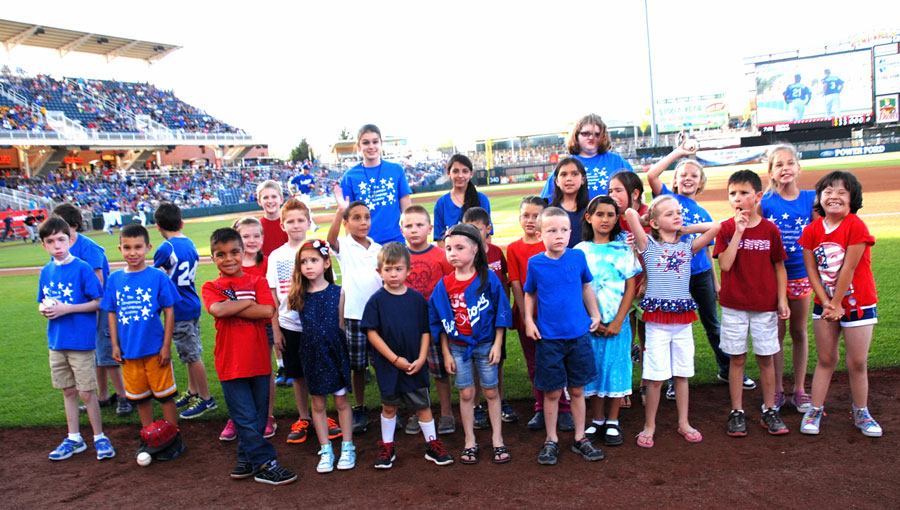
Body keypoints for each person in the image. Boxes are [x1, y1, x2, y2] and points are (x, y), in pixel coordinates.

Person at [647, 142, 756, 396]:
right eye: (683, 174)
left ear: (700, 183)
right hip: (674, 276)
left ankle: (726, 369)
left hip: (701, 273)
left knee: (713, 324)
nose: (688, 178)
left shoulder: (703, 211)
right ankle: (674, 381)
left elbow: (708, 248)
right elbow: (652, 175)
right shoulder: (666, 199)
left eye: (694, 176)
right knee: (674, 327)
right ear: (674, 180)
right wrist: (679, 153)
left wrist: (716, 282)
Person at [201, 228, 297, 486]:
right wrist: (247, 304)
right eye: (220, 254)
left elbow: (267, 310)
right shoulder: (211, 286)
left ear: (243, 253)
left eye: (234, 252)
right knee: (243, 415)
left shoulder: (258, 282)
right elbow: (218, 310)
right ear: (213, 258)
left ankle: (246, 457)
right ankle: (266, 463)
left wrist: (235, 306)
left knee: (255, 415)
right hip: (230, 363)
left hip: (258, 361)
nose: (228, 258)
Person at [625, 196, 720, 448]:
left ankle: (684, 422)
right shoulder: (648, 246)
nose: (677, 216)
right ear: (655, 223)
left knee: (682, 373)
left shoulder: (688, 246)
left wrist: (685, 228)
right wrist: (647, 220)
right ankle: (649, 425)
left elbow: (715, 227)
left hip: (682, 320)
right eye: (669, 214)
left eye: (679, 212)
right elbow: (629, 214)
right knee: (655, 377)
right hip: (657, 321)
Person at [799, 171, 881, 437]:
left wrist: (836, 303)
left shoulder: (855, 225)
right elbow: (811, 269)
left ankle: (861, 411)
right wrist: (825, 303)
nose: (833, 196)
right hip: (825, 304)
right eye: (827, 191)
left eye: (841, 192)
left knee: (857, 362)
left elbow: (848, 268)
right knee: (825, 359)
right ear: (820, 198)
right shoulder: (812, 230)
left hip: (858, 302)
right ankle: (815, 409)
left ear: (852, 198)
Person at [523, 207, 604, 465]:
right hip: (549, 339)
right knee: (552, 392)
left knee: (578, 390)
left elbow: (585, 286)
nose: (559, 235)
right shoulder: (535, 263)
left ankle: (580, 438)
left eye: (564, 230)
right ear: (540, 235)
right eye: (552, 231)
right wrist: (528, 320)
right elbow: (530, 293)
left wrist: (596, 314)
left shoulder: (577, 257)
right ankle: (551, 439)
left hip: (578, 335)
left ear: (571, 231)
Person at [362, 242, 454, 468]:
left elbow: (425, 330)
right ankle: (387, 447)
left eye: (398, 269)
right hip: (388, 365)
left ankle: (432, 445)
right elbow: (372, 334)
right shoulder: (376, 301)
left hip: (415, 362)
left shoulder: (416, 299)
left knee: (422, 406)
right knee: (389, 407)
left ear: (408, 271)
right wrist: (394, 359)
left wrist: (422, 358)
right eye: (388, 269)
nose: (393, 274)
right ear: (379, 271)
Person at [715, 170, 791, 437]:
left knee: (766, 358)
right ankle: (737, 411)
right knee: (737, 358)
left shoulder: (770, 229)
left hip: (764, 305)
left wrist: (782, 299)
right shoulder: (725, 228)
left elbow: (779, 267)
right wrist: (738, 231)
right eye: (733, 193)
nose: (738, 198)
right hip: (734, 304)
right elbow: (724, 264)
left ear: (758, 197)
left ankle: (770, 409)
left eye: (744, 193)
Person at [430, 224, 512, 464]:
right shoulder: (444, 285)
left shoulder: (488, 279)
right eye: (448, 248)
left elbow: (501, 313)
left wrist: (498, 344)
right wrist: (445, 353)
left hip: (486, 344)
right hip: (457, 347)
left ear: (475, 249)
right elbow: (438, 322)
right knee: (466, 392)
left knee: (490, 390)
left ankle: (497, 439)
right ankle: (470, 440)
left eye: (459, 247)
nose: (452, 253)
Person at [38, 217, 115, 461]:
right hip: (57, 341)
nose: (57, 245)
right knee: (68, 391)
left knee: (86, 393)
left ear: (71, 240)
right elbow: (43, 299)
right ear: (44, 245)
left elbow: (99, 301)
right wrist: (44, 308)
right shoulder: (46, 271)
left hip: (80, 342)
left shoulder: (82, 267)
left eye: (61, 239)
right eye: (50, 241)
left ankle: (99, 437)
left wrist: (66, 309)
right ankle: (74, 438)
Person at [100, 224, 180, 451]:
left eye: (137, 247)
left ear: (148, 248)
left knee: (165, 396)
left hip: (155, 349)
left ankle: (172, 436)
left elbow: (169, 310)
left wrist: (166, 346)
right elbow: (112, 312)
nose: (132, 252)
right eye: (126, 247)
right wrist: (114, 345)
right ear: (119, 248)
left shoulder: (157, 277)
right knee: (140, 398)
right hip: (128, 351)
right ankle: (150, 436)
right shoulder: (115, 279)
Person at [52, 204, 131, 416]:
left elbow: (98, 282)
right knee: (93, 353)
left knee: (106, 352)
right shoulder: (62, 249)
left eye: (61, 223)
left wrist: (86, 309)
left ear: (73, 224)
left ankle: (124, 397)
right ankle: (103, 396)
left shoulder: (88, 247)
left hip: (102, 305)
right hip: (81, 308)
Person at [575, 196, 641, 448]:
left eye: (610, 215)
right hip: (590, 325)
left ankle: (613, 421)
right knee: (593, 370)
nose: (605, 219)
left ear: (617, 219)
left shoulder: (623, 249)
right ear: (589, 218)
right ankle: (598, 418)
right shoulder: (580, 250)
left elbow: (630, 287)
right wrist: (591, 319)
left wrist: (618, 321)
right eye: (600, 214)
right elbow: (578, 287)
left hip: (617, 324)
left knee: (615, 368)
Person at [507, 196, 576, 431]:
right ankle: (540, 406)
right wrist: (528, 317)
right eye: (526, 215)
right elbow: (517, 284)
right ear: (519, 218)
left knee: (558, 362)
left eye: (536, 215)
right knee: (535, 364)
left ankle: (564, 407)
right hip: (529, 317)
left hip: (555, 318)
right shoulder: (515, 248)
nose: (530, 220)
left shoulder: (552, 243)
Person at [287, 239, 355, 473]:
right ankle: (325, 449)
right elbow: (292, 325)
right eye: (303, 262)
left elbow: (340, 326)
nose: (308, 266)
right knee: (317, 403)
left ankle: (347, 446)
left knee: (341, 401)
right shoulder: (297, 295)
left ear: (326, 263)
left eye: (313, 260)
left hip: (334, 353)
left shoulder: (338, 292)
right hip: (312, 355)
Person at [266, 199, 328, 444]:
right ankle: (304, 417)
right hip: (289, 324)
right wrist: (275, 328)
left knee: (321, 371)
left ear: (308, 222)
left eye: (301, 220)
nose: (296, 225)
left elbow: (328, 286)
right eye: (290, 221)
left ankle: (323, 413)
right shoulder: (276, 256)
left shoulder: (318, 249)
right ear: (282, 225)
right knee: (298, 374)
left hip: (316, 323)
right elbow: (272, 295)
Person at [760, 145, 816, 412]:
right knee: (777, 335)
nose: (785, 168)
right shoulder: (767, 202)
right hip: (774, 278)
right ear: (771, 171)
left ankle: (800, 388)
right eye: (779, 164)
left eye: (790, 163)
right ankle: (779, 389)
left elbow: (820, 236)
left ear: (799, 168)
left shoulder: (811, 198)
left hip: (802, 276)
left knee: (799, 331)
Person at [153, 203, 216, 420]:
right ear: (181, 222)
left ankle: (206, 398)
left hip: (178, 306)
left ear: (158, 226)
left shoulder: (166, 248)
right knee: (188, 353)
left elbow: (156, 278)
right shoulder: (188, 242)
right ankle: (193, 391)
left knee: (192, 354)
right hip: (191, 301)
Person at [399, 205, 456, 435]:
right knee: (413, 370)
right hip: (409, 325)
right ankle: (418, 412)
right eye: (409, 226)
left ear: (430, 228)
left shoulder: (441, 255)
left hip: (435, 323)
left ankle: (446, 413)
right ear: (401, 229)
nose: (414, 230)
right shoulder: (399, 255)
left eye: (419, 225)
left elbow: (451, 287)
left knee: (440, 371)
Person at [327, 199, 383, 434]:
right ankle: (359, 407)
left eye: (367, 217)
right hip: (353, 315)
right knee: (358, 366)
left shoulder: (378, 248)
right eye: (357, 218)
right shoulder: (344, 245)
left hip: (378, 316)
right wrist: (340, 212)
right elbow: (330, 241)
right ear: (347, 223)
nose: (363, 222)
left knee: (382, 364)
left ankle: (388, 405)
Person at [219, 217, 277, 441]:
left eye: (256, 235)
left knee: (264, 370)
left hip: (264, 326)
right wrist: (252, 307)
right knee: (238, 370)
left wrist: (252, 308)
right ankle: (237, 417)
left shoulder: (268, 263)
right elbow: (227, 302)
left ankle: (267, 415)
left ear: (263, 238)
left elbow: (269, 305)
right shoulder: (230, 264)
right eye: (246, 236)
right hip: (236, 328)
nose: (252, 240)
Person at [462, 207, 517, 426]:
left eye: (478, 228)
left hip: (496, 320)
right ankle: (476, 406)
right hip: (475, 319)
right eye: (469, 228)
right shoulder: (465, 255)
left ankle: (499, 401)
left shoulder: (495, 252)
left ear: (488, 229)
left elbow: (505, 281)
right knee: (475, 363)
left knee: (497, 362)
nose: (473, 232)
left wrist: (505, 309)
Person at [607, 171, 649, 407]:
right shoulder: (612, 217)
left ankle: (645, 385)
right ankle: (622, 387)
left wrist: (648, 281)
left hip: (646, 288)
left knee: (647, 340)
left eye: (618, 190)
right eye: (610, 190)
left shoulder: (647, 214)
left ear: (634, 193)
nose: (613, 195)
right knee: (624, 339)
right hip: (621, 290)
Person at [338, 124, 412, 244]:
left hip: (396, 242)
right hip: (366, 245)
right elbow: (348, 218)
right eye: (366, 143)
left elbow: (407, 210)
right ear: (358, 146)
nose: (371, 146)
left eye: (375, 142)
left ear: (381, 143)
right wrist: (352, 248)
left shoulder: (396, 170)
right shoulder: (349, 177)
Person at [541, 113, 633, 199]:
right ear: (576, 135)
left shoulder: (617, 161)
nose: (591, 137)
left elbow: (637, 194)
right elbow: (546, 203)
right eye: (585, 133)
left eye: (597, 134)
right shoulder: (565, 165)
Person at [433, 154, 491, 245]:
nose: (460, 175)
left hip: (476, 256)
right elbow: (440, 240)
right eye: (455, 171)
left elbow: (487, 236)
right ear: (448, 173)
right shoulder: (441, 203)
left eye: (465, 171)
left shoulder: (482, 200)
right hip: (451, 257)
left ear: (471, 174)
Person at [548, 157, 590, 248]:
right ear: (557, 181)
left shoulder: (592, 209)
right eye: (563, 174)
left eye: (574, 174)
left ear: (583, 179)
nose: (569, 179)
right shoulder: (549, 211)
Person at [258, 180, 288, 257]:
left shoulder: (289, 224)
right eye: (265, 198)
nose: (270, 201)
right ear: (259, 201)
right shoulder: (256, 227)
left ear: (281, 199)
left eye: (274, 197)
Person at [289, 164, 319, 232]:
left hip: (306, 195)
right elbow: (290, 185)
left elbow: (313, 186)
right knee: (306, 210)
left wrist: (311, 186)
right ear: (304, 170)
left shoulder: (310, 177)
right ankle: (312, 226)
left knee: (303, 211)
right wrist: (292, 193)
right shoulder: (298, 177)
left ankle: (309, 226)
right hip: (300, 196)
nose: (308, 171)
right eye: (307, 169)